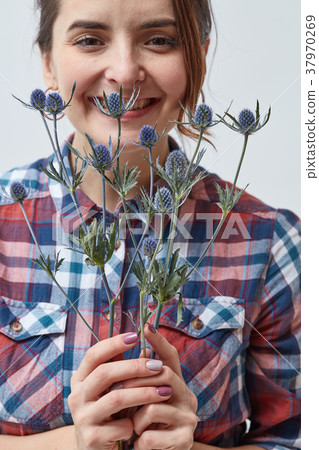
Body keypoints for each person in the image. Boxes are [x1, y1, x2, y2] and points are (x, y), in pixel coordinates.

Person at [0, 0, 300, 449]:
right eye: (89, 40)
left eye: (160, 39)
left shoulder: (271, 241)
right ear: (47, 63)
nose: (124, 71)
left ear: (198, 58)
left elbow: (294, 437)